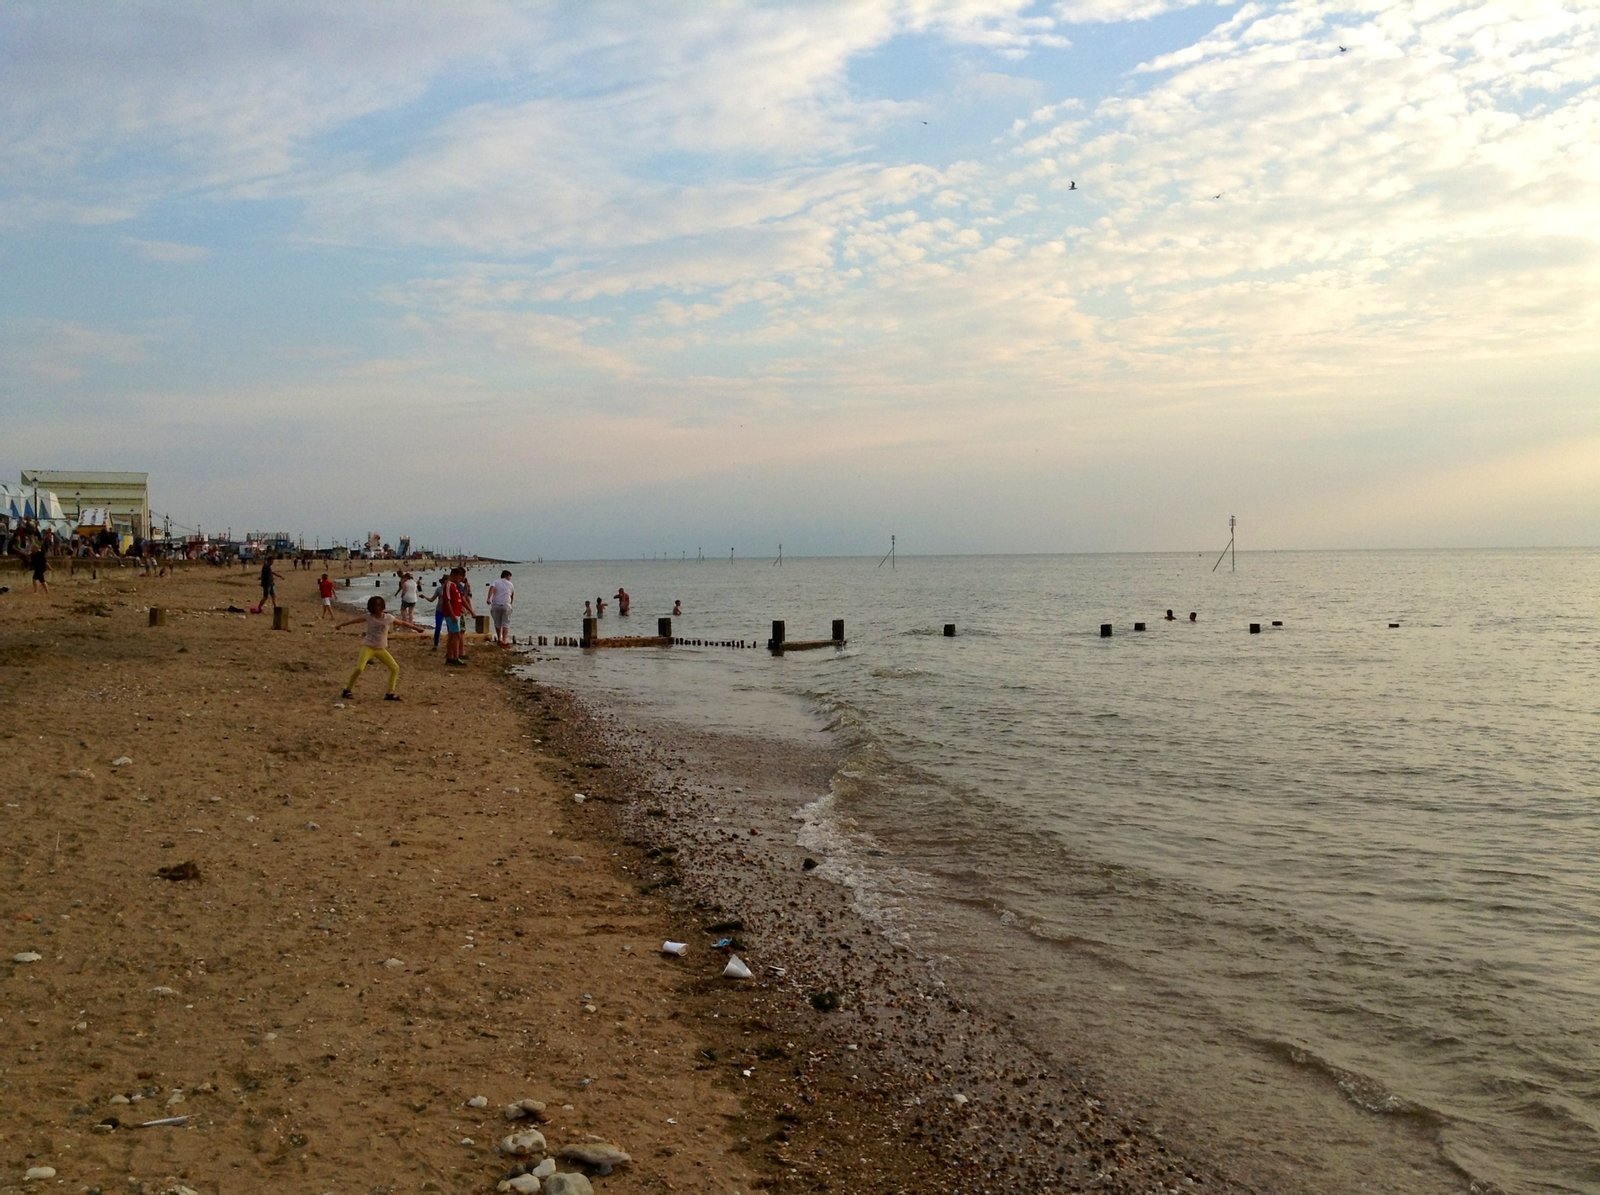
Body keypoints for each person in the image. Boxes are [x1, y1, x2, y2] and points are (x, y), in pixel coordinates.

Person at [336, 595, 425, 700]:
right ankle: (347, 690)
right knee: (359, 668)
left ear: (382, 606)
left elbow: (402, 623)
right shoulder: (368, 617)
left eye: (379, 605)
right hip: (368, 647)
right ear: (371, 607)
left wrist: (417, 628)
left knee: (395, 668)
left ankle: (390, 693)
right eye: (375, 606)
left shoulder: (388, 618)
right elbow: (354, 621)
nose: (377, 608)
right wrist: (341, 625)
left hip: (380, 649)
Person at [441, 566, 476, 666]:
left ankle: (450, 656)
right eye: (459, 578)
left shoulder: (455, 586)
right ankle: (455, 657)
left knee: (453, 635)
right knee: (455, 635)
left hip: (457, 613)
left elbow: (462, 600)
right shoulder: (448, 585)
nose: (460, 580)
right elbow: (447, 601)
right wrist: (452, 615)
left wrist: (471, 611)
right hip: (452, 614)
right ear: (454, 576)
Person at [486, 569, 515, 648]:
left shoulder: (495, 581)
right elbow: (512, 595)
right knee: (506, 623)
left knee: (497, 623)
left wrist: (489, 599)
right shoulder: (510, 584)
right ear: (507, 576)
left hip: (496, 605)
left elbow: (491, 588)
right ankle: (505, 640)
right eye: (510, 577)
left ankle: (499, 639)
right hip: (506, 605)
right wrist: (511, 604)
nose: (510, 579)